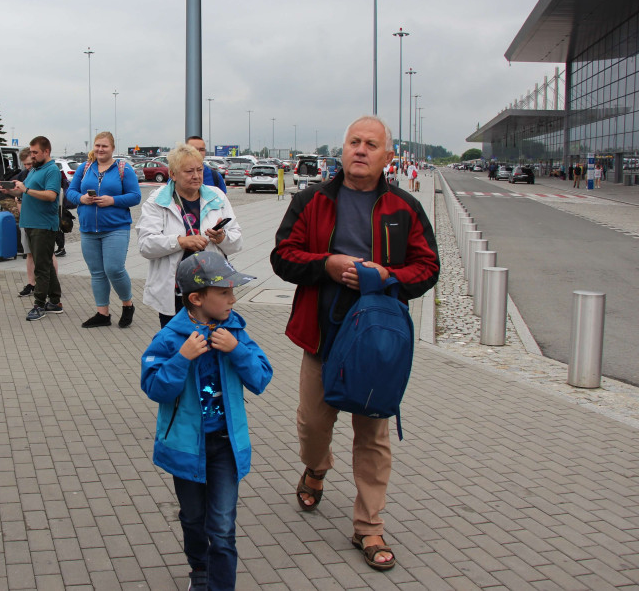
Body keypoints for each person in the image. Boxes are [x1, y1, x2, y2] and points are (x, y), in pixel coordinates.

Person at [270, 115, 439, 572]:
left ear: (387, 156)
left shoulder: (404, 208)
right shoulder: (312, 200)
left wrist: (391, 277)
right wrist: (325, 264)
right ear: (342, 149)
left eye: (371, 144)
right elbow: (282, 256)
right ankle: (316, 468)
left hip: (376, 343)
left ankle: (368, 526)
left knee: (372, 436)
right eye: (353, 142)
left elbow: (428, 267)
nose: (360, 150)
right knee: (312, 426)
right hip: (321, 337)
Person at [140, 251, 273, 591]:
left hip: (226, 447)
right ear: (197, 298)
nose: (233, 299)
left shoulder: (235, 332)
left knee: (222, 527)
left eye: (233, 291)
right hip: (186, 448)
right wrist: (182, 358)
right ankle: (199, 566)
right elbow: (155, 387)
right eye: (225, 292)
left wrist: (236, 350)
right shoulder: (171, 338)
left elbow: (260, 378)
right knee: (193, 519)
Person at [137, 144, 242, 327]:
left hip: (212, 290)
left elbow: (237, 242)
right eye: (189, 171)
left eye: (199, 170)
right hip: (176, 292)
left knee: (213, 346)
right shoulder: (157, 201)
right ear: (173, 174)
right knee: (178, 348)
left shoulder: (217, 196)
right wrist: (180, 242)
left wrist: (222, 238)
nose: (196, 176)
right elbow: (146, 245)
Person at [66, 131, 142, 328]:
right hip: (88, 229)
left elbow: (135, 196)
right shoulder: (85, 167)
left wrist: (113, 200)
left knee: (114, 269)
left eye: (104, 146)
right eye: (97, 145)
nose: (100, 149)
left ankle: (127, 304)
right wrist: (81, 198)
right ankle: (103, 314)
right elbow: (70, 192)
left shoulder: (124, 169)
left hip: (116, 228)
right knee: (97, 272)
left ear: (112, 148)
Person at [12, 136, 64, 321]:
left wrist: (26, 190)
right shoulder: (35, 169)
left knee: (41, 267)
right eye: (31, 152)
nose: (32, 155)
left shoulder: (51, 170)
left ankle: (39, 304)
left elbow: (51, 195)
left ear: (46, 151)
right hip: (31, 223)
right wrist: (11, 190)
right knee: (46, 265)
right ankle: (56, 301)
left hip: (43, 225)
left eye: (35, 152)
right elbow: (25, 190)